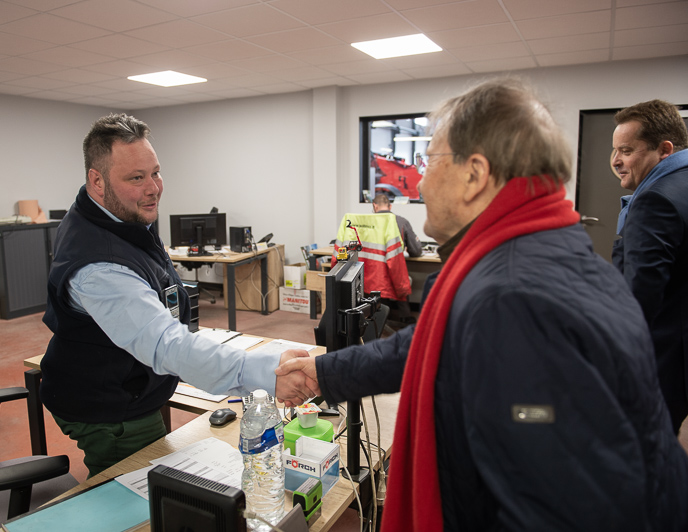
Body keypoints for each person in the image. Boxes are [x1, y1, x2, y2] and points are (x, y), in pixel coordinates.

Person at [277, 79, 688, 531]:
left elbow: (556, 506)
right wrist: (325, 373)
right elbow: (431, 342)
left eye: (428, 161)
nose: (419, 179)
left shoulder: (511, 301)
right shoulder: (536, 247)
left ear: (474, 174)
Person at [40, 113, 313, 477]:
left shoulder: (118, 217)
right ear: (97, 181)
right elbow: (165, 344)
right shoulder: (99, 266)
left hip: (131, 380)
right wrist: (264, 373)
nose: (153, 187)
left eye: (155, 172)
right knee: (143, 499)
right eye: (136, 178)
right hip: (110, 405)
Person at [611, 100, 688, 434]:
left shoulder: (654, 200)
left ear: (664, 149)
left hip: (659, 359)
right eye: (615, 150)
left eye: (626, 150)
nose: (615, 161)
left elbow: (639, 294)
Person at [371, 193, 424, 257]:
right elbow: (416, 251)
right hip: (394, 265)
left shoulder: (367, 223)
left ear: (375, 206)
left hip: (371, 265)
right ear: (390, 206)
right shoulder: (402, 222)